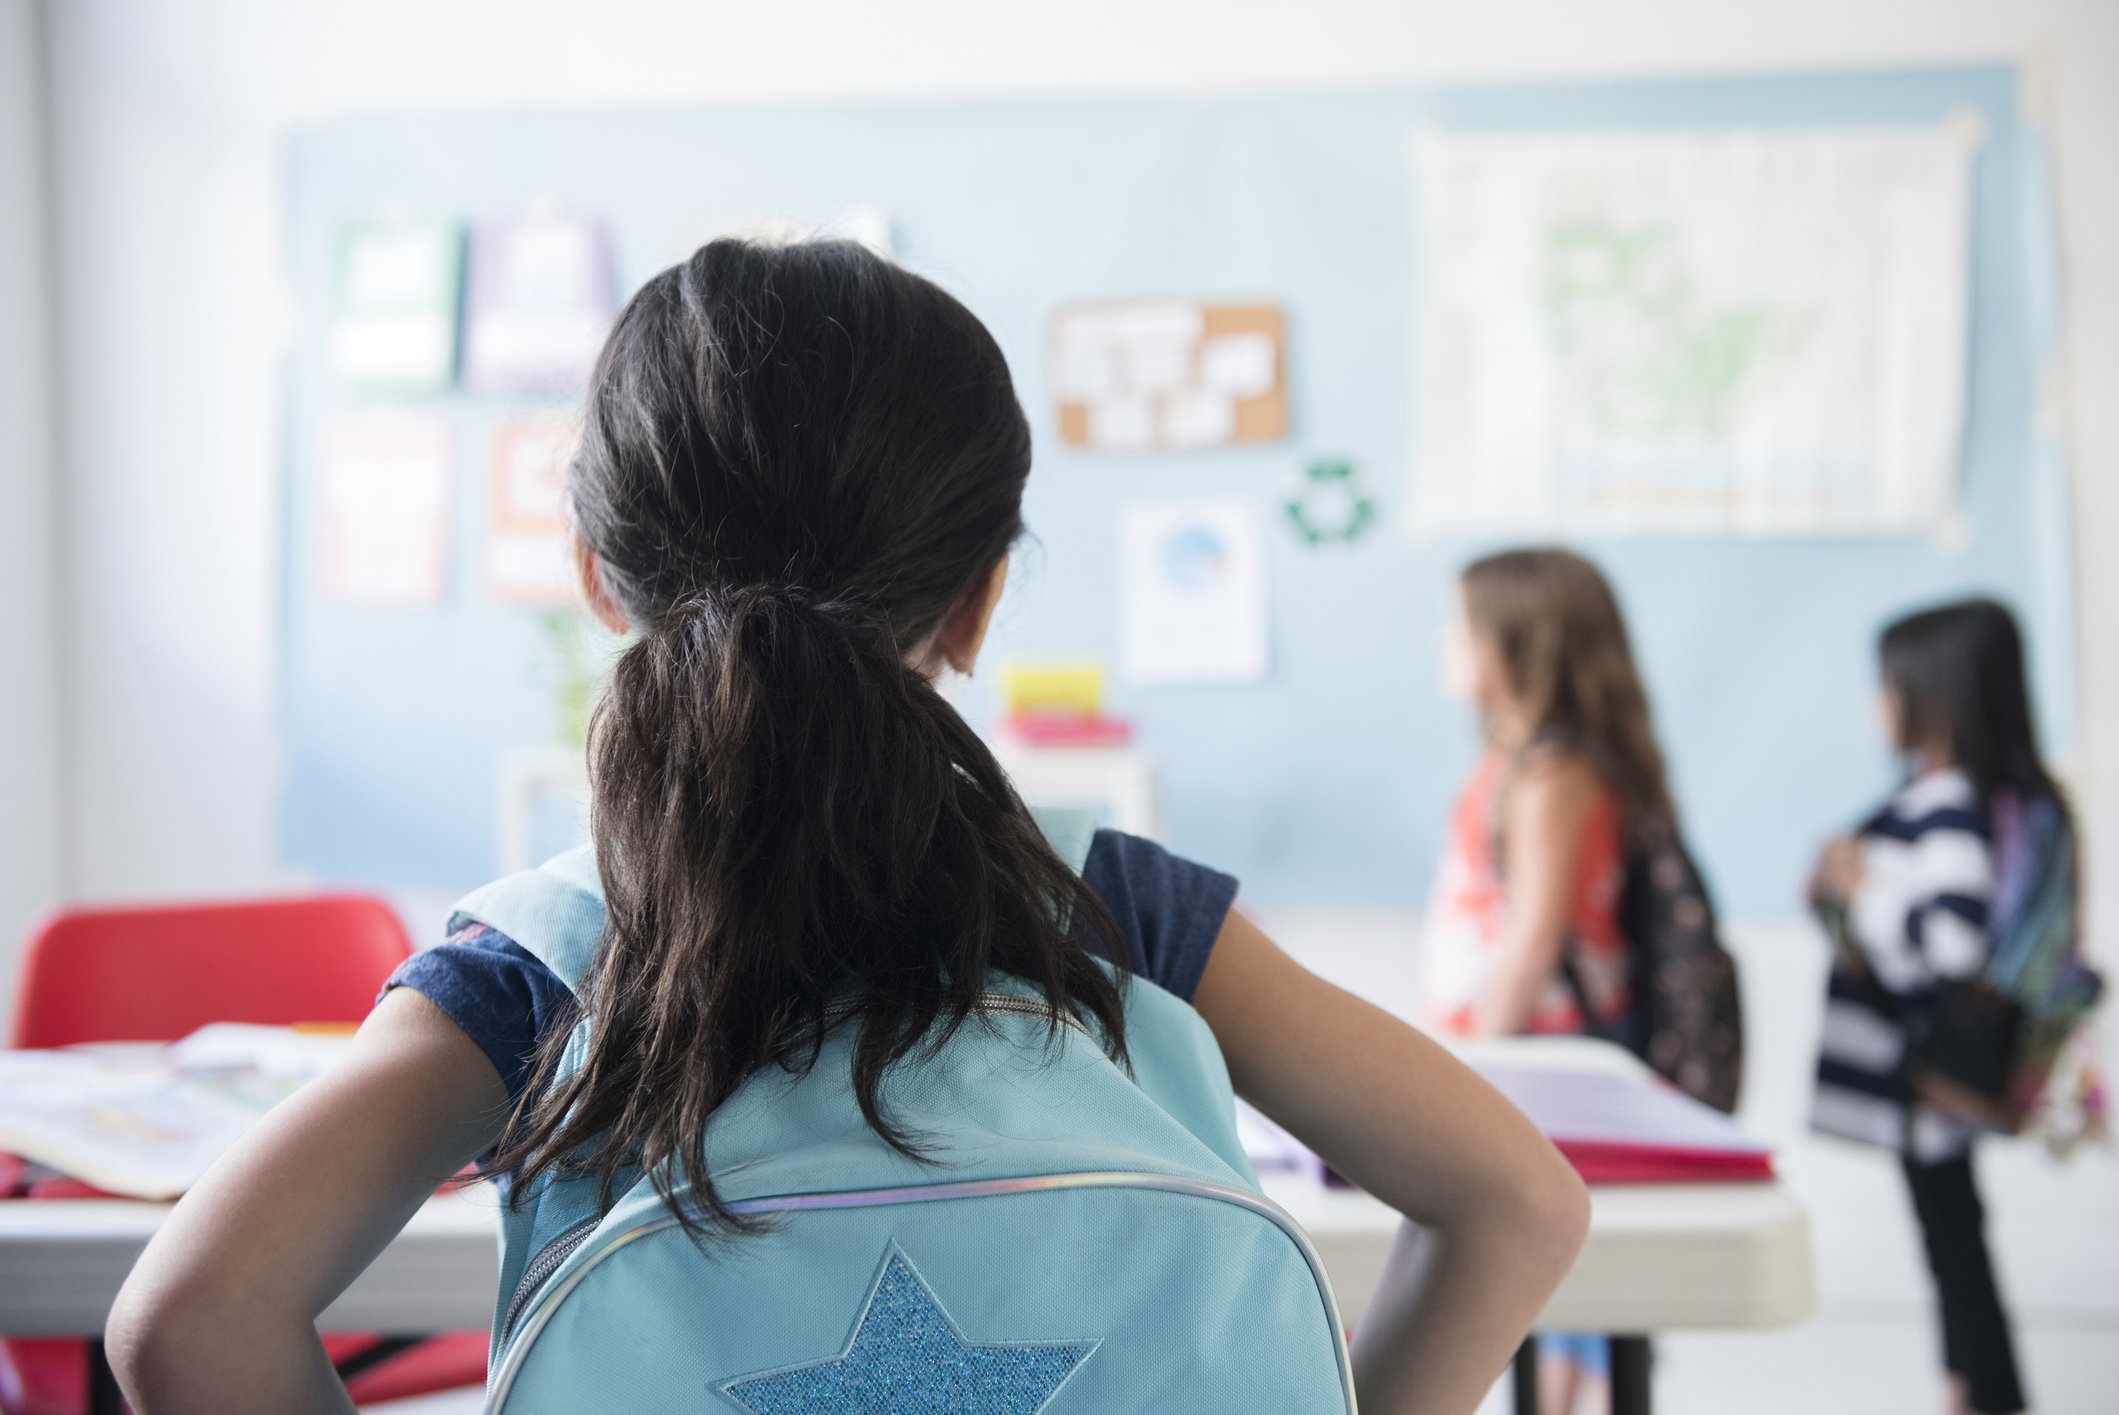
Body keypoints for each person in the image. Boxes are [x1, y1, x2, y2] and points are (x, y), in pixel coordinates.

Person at [106, 240, 1588, 1415]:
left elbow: (190, 1316)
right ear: (981, 597)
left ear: (595, 575)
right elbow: (1513, 1197)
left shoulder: (542, 964)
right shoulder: (1115, 912)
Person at [1423, 547, 1682, 1415]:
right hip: (1531, 1060)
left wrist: (1468, 1059)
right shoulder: (1525, 761)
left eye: (1462, 625)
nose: (1444, 641)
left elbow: (1533, 939)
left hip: (1542, 1061)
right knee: (1553, 1290)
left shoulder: (1552, 774)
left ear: (1519, 643)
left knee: (1558, 1284)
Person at [1809, 599, 2063, 1415]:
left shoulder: (1946, 804)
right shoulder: (1959, 798)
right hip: (1925, 1079)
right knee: (1952, 1238)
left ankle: (1981, 1394)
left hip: (1924, 1082)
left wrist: (1861, 890)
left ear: (1934, 694)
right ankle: (1969, 1389)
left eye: (1886, 686)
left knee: (1951, 1244)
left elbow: (1948, 946)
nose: (1874, 705)